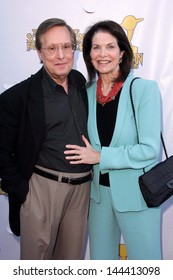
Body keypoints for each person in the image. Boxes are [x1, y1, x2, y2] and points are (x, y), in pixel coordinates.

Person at [64, 20, 162, 260]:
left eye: (110, 46)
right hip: (98, 198)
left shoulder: (143, 90)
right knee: (101, 265)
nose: (102, 54)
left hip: (137, 195)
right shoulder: (85, 93)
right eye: (96, 48)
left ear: (122, 53)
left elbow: (150, 150)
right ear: (88, 55)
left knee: (146, 265)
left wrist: (101, 156)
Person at [0, 18, 92, 260]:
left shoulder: (80, 83)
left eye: (66, 47)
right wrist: (23, 192)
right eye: (51, 48)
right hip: (41, 190)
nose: (60, 55)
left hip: (82, 191)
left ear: (74, 49)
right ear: (39, 53)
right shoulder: (17, 96)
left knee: (69, 264)